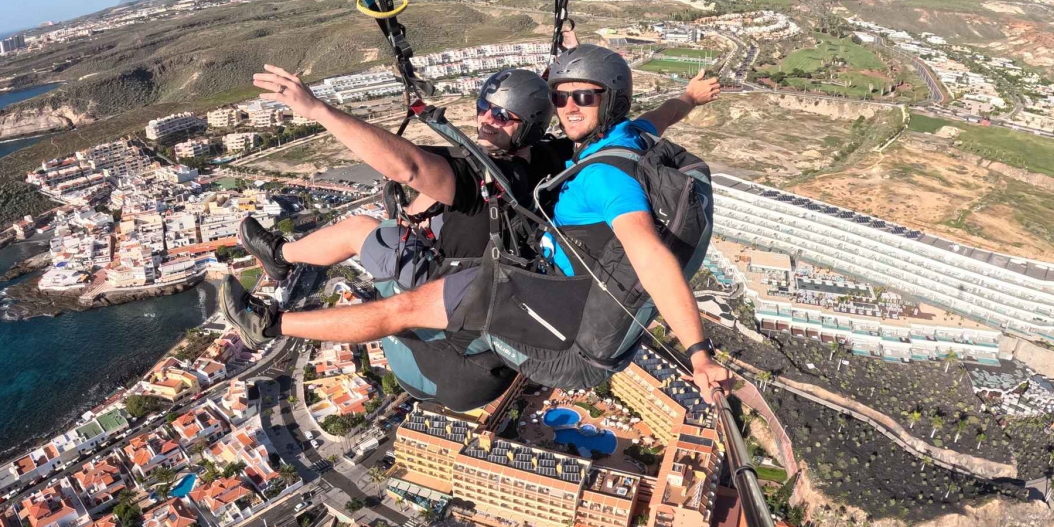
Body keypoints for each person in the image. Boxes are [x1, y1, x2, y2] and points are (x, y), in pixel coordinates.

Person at [222, 48, 729, 401]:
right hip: (539, 276)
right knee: (360, 229)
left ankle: (267, 325)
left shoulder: (589, 178)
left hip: (520, 287)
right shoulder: (595, 144)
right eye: (561, 97)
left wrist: (698, 352)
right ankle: (281, 258)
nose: (570, 107)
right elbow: (657, 118)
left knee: (394, 302)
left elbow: (410, 169)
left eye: (584, 98)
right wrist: (690, 96)